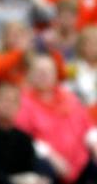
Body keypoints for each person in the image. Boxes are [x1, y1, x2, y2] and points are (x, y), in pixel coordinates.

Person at [14, 54, 97, 184]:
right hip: (45, 161)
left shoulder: (69, 97)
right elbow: (25, 139)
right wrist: (53, 158)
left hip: (80, 158)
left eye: (48, 71)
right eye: (39, 72)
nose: (44, 75)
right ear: (30, 75)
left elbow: (88, 128)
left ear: (55, 74)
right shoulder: (23, 102)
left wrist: (95, 145)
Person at [0, 82, 48, 184]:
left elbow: (31, 169)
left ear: (19, 106)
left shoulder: (24, 139)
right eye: (3, 100)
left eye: (12, 101)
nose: (8, 105)